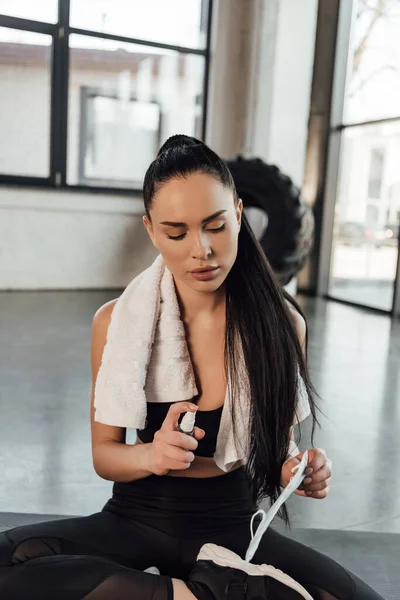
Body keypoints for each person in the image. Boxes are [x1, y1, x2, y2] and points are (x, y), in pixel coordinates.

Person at [0, 135, 383, 600]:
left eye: (216, 226)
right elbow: (105, 456)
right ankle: (196, 595)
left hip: (231, 526)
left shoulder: (284, 325)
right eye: (176, 233)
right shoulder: (114, 323)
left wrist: (297, 470)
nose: (200, 249)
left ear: (239, 214)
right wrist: (149, 455)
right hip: (134, 521)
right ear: (151, 231)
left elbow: (278, 449)